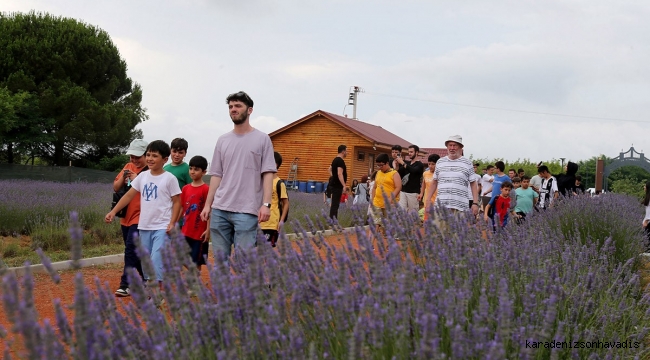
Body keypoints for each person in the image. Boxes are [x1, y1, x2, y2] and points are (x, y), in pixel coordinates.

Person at [199, 91, 276, 259]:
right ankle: (224, 286)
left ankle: (254, 284)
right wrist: (207, 205)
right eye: (231, 106)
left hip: (247, 210)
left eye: (238, 106)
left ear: (250, 110)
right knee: (220, 260)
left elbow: (268, 173)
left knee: (244, 261)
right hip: (220, 209)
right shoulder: (223, 140)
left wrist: (266, 204)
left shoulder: (263, 139)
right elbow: (216, 175)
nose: (233, 109)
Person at [106, 140, 182, 287]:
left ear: (165, 159)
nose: (150, 159)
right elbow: (128, 196)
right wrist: (113, 211)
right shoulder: (142, 177)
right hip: (144, 226)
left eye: (154, 156)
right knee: (146, 260)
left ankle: (156, 293)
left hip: (162, 226)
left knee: (156, 259)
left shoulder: (169, 178)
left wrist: (172, 222)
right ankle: (151, 285)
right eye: (148, 155)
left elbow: (177, 202)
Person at [113, 139, 148, 297]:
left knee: (130, 249)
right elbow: (116, 187)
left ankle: (126, 284)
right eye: (132, 156)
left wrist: (137, 178)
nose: (134, 160)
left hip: (141, 216)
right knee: (136, 252)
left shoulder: (150, 170)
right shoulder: (128, 166)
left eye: (137, 156)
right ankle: (148, 279)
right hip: (125, 216)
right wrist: (124, 176)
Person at [425, 135, 479, 215]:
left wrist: (475, 203)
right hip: (441, 206)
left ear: (460, 147)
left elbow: (473, 184)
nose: (452, 148)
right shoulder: (440, 162)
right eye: (450, 145)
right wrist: (428, 199)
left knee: (459, 228)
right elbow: (434, 182)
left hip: (460, 207)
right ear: (447, 147)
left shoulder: (467, 163)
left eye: (455, 145)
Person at [180, 155, 210, 269]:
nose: (192, 172)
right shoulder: (185, 188)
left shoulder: (206, 189)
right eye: (191, 168)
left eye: (196, 169)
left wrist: (208, 229)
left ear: (204, 172)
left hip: (199, 232)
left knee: (196, 260)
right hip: (185, 230)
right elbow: (182, 208)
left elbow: (209, 210)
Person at [370, 154, 401, 244]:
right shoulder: (378, 173)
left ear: (387, 163)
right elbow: (375, 187)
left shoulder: (394, 173)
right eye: (378, 165)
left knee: (388, 226)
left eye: (381, 165)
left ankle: (389, 245)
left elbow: (398, 187)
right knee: (376, 223)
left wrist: (390, 199)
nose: (379, 167)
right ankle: (371, 244)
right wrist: (372, 199)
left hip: (390, 204)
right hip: (377, 202)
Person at [260, 152, 289, 248]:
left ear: (275, 164)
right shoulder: (260, 180)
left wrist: (281, 221)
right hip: (257, 223)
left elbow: (285, 203)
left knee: (266, 252)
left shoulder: (279, 183)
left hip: (271, 224)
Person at [394, 145, 425, 213]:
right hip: (403, 190)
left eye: (411, 152)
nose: (409, 153)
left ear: (416, 152)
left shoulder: (419, 164)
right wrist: (397, 165)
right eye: (409, 152)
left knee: (412, 213)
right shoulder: (407, 163)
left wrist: (402, 162)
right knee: (401, 211)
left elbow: (413, 170)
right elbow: (399, 172)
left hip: (413, 192)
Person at [329, 145, 348, 219]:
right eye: (346, 151)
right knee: (335, 205)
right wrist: (344, 185)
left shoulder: (335, 160)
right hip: (337, 186)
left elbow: (329, 169)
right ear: (343, 151)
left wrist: (333, 176)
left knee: (335, 204)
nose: (347, 153)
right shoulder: (340, 161)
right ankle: (332, 222)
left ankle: (334, 222)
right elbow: (340, 173)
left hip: (335, 184)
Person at [420, 154, 440, 220]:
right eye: (429, 164)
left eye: (433, 164)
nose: (430, 166)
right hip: (428, 201)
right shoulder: (425, 173)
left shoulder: (440, 174)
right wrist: (421, 193)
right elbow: (424, 183)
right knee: (427, 222)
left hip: (437, 202)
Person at [641, 181, 650, 251]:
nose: (644, 187)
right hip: (647, 222)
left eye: (645, 186)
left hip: (648, 222)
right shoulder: (648, 197)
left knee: (647, 243)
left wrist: (646, 221)